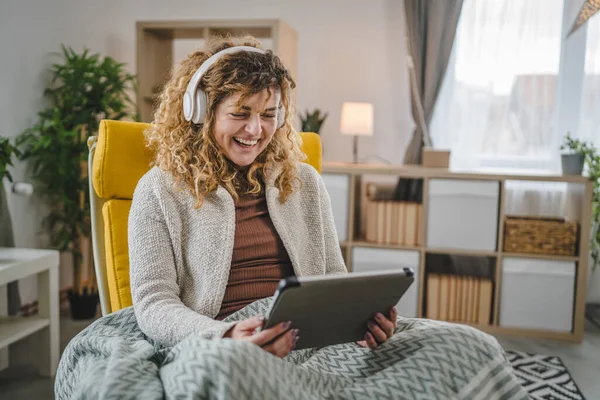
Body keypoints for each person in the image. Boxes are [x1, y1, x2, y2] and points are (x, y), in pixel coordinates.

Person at [128, 36, 396, 357]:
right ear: (201, 113)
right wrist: (225, 335)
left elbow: (333, 280)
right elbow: (154, 302)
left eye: (269, 114)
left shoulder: (303, 181)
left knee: (460, 343)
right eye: (241, 113)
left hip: (306, 340)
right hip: (218, 345)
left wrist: (357, 323)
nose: (255, 130)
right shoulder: (159, 190)